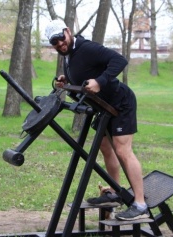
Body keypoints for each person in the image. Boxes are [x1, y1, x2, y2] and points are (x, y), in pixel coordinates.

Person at [45, 19, 149, 221]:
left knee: (122, 150)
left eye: (60, 38)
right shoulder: (69, 56)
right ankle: (116, 193)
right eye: (54, 42)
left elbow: (119, 60)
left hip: (121, 103)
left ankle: (140, 203)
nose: (59, 44)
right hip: (105, 108)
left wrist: (100, 82)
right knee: (104, 145)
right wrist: (66, 81)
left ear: (68, 31)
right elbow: (84, 77)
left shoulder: (87, 48)